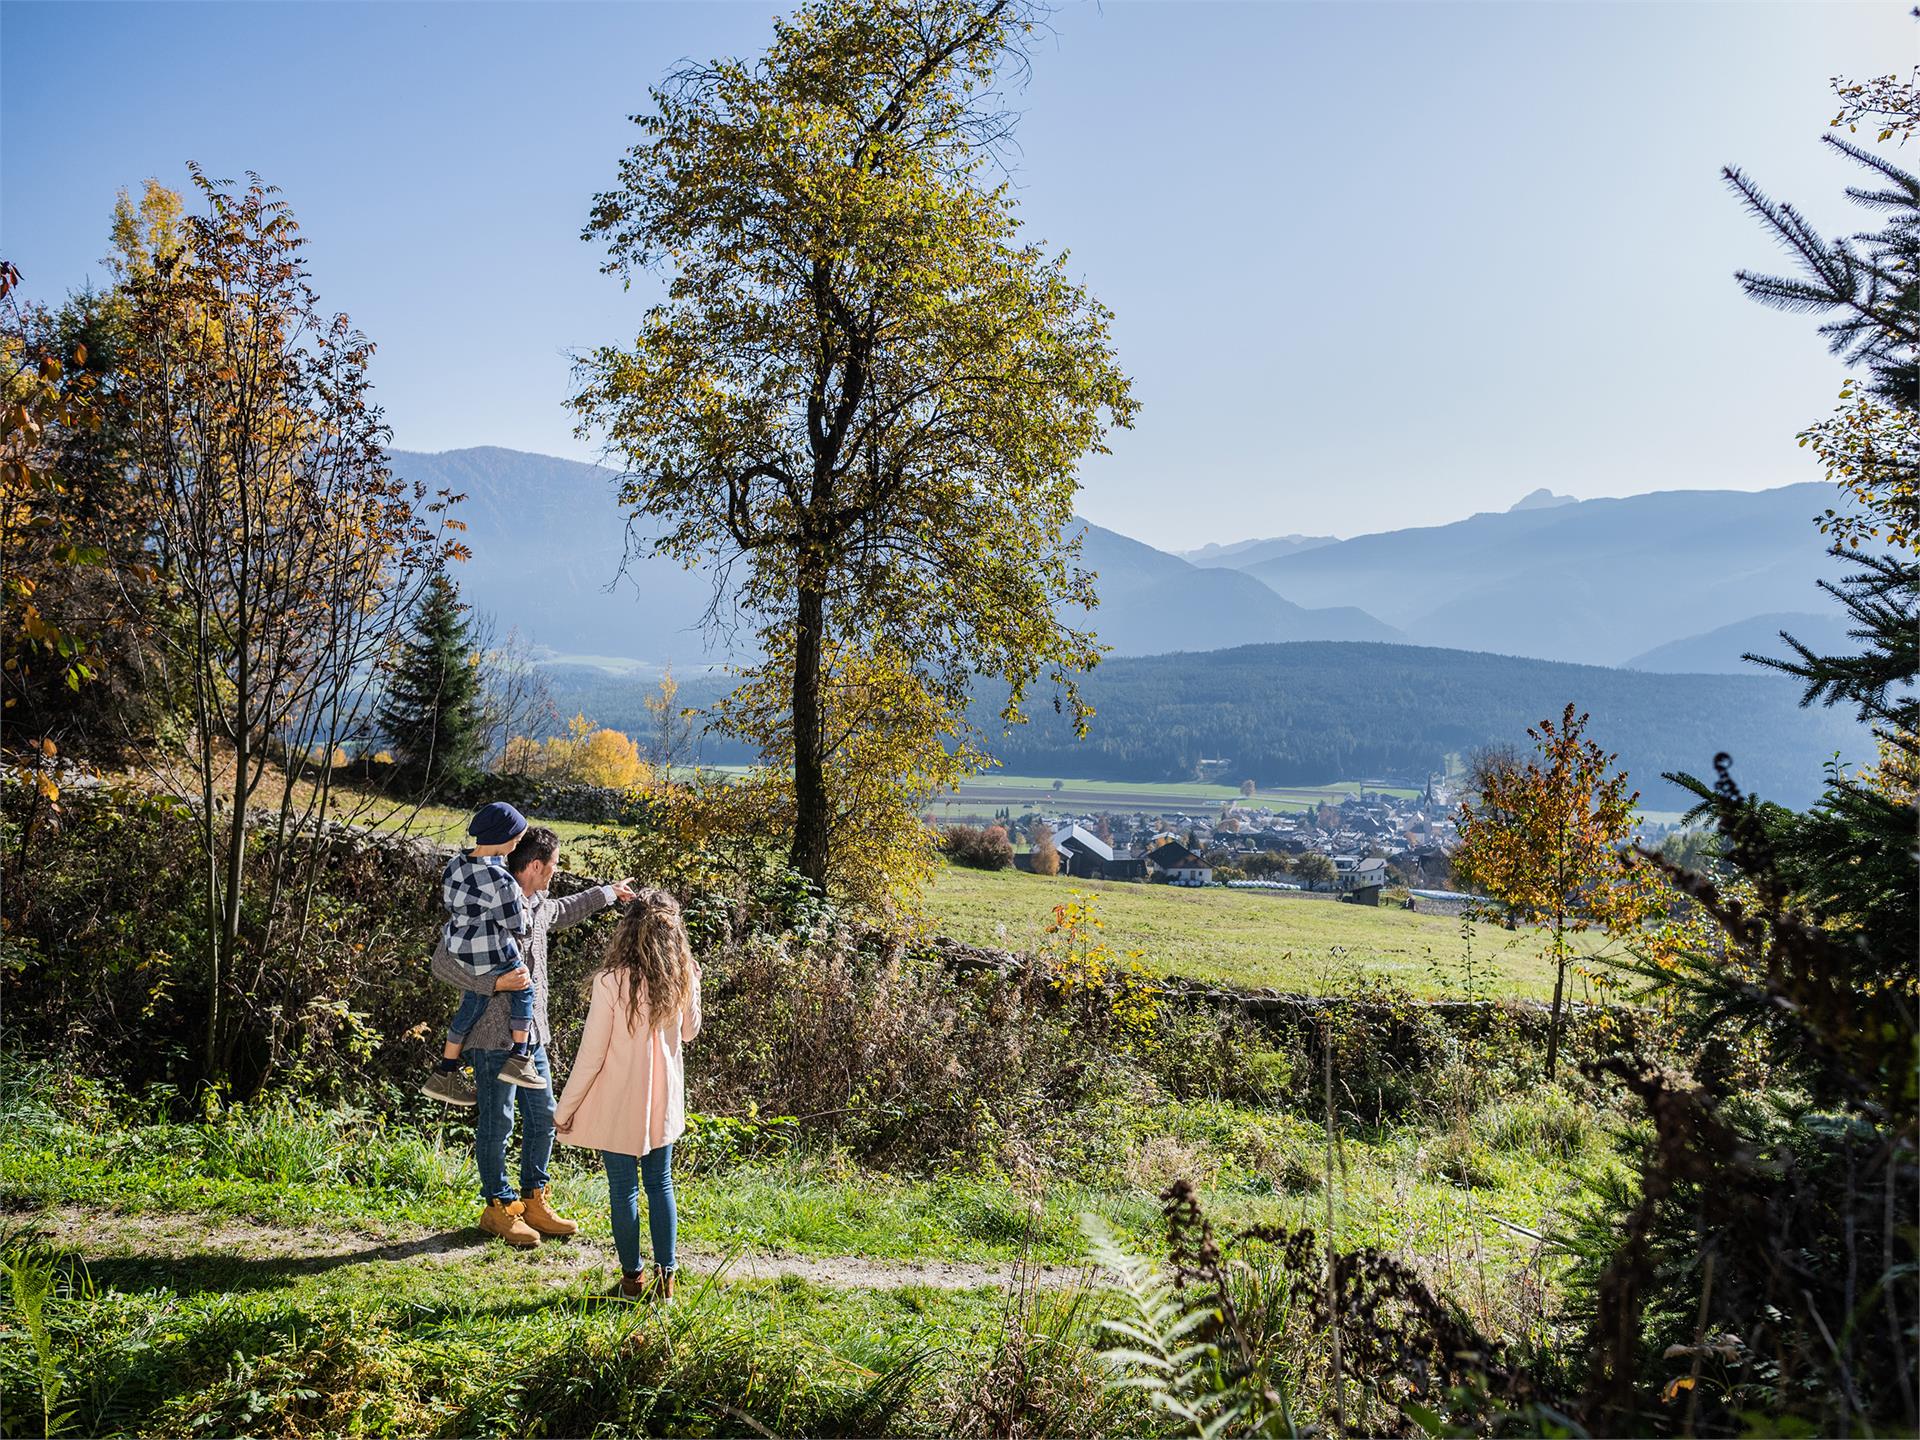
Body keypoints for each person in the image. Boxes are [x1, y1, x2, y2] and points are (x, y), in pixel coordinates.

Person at [431, 824, 638, 1248]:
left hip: (533, 1039)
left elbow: (566, 910)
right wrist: (494, 985)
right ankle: (498, 1208)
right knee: (498, 1122)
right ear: (536, 865)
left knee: (545, 1117)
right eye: (554, 866)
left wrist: (609, 893)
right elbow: (440, 963)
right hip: (491, 1038)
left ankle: (533, 1199)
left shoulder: (539, 904)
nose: (556, 873)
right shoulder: (483, 906)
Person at [554, 888, 702, 1300]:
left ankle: (633, 1279)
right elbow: (690, 1033)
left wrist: (565, 1108)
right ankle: (667, 1277)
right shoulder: (683, 975)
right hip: (662, 1102)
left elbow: (591, 1055)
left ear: (628, 929)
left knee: (624, 1191)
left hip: (618, 1102)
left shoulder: (610, 982)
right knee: (661, 1183)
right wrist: (695, 981)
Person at [424, 801, 541, 1103]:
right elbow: (518, 924)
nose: (517, 843)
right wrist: (526, 910)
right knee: (524, 986)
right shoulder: (501, 881)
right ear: (504, 839)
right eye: (516, 837)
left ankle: (445, 1070)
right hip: (489, 952)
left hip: (458, 947)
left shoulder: (455, 865)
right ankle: (520, 1056)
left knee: (471, 1007)